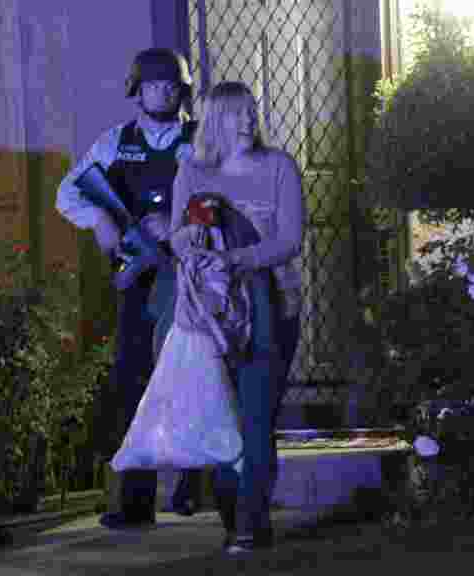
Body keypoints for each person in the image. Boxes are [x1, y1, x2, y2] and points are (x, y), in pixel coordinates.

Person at [55, 47, 202, 528]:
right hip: (137, 276)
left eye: (171, 84)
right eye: (153, 84)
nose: (163, 91)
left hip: (192, 275)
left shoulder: (201, 140)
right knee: (131, 383)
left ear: (183, 89)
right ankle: (133, 501)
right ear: (136, 89)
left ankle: (192, 486)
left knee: (191, 376)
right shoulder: (115, 141)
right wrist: (97, 216)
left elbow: (227, 199)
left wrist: (178, 219)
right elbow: (67, 192)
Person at [169, 81, 304, 554]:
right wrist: (196, 241)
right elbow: (177, 238)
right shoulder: (190, 172)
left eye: (251, 112)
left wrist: (236, 259)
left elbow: (289, 242)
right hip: (214, 318)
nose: (248, 121)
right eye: (236, 114)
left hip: (273, 310)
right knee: (222, 420)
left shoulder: (279, 168)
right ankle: (235, 520)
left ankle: (249, 523)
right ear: (213, 121)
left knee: (254, 419)